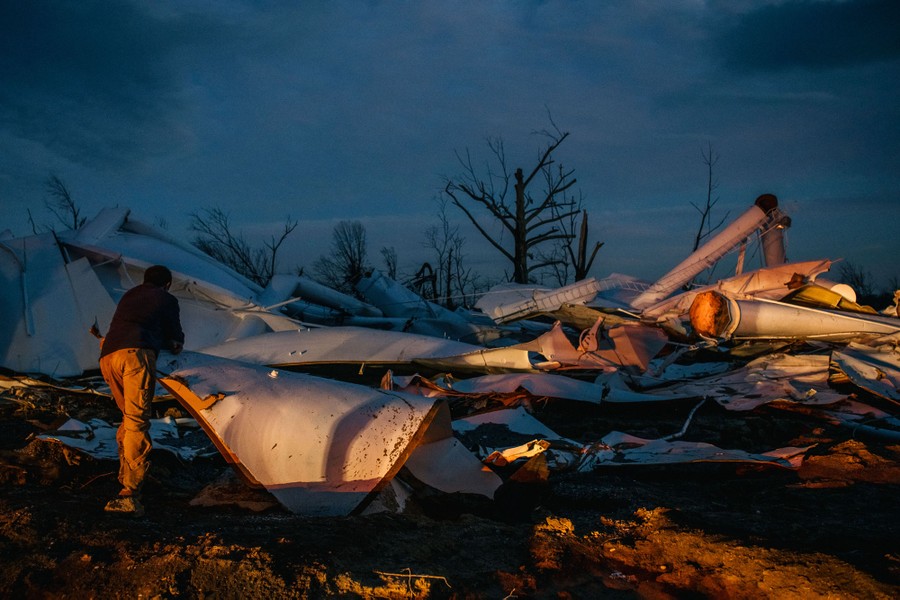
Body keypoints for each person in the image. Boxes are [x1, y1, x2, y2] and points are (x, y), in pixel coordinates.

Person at [99, 265, 184, 516]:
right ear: (167, 284)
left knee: (127, 417)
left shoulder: (129, 296)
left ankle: (127, 475)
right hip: (136, 354)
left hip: (108, 357)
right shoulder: (166, 298)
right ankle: (130, 491)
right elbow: (176, 338)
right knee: (137, 421)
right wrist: (173, 342)